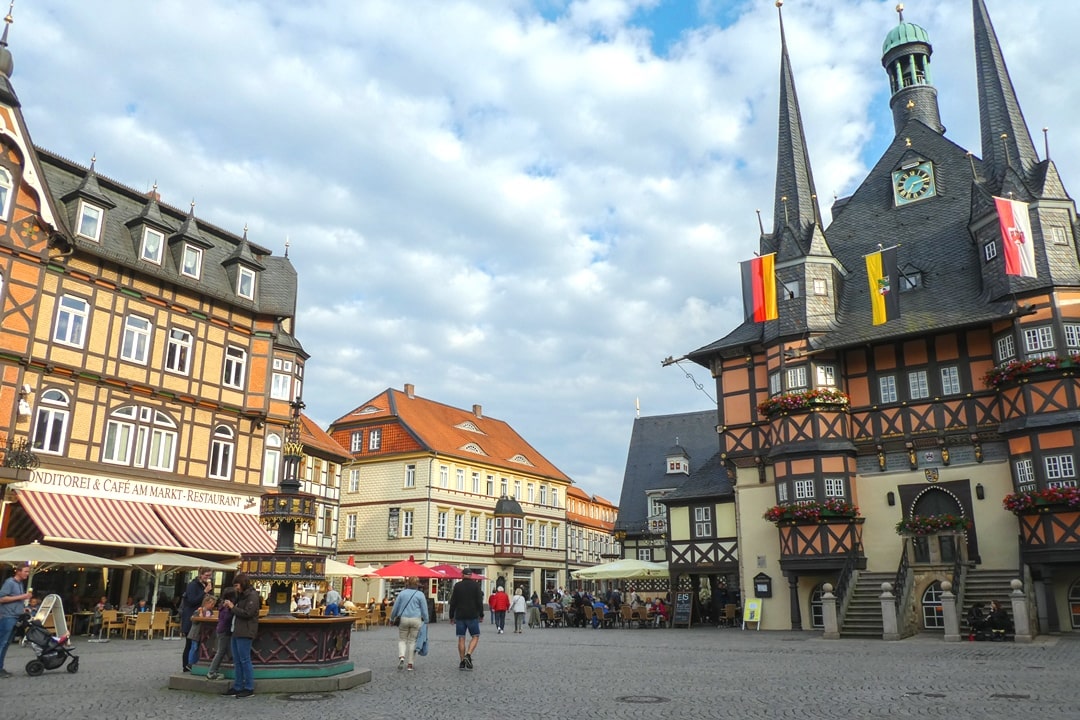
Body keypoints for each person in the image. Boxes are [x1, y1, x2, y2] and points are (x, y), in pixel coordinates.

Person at [222, 573, 260, 698]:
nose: (235, 588)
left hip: (245, 631)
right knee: (237, 661)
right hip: (236, 630)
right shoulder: (241, 596)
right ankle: (238, 686)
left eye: (237, 585)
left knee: (245, 660)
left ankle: (249, 687)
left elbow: (248, 613)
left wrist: (233, 607)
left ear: (243, 584)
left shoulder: (252, 596)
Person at [389, 577, 429, 671]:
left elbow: (395, 607)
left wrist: (391, 618)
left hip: (403, 619)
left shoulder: (402, 594)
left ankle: (402, 657)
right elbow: (424, 609)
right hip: (416, 619)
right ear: (417, 584)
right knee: (412, 641)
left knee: (402, 640)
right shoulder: (420, 595)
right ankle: (410, 664)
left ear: (408, 583)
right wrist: (426, 620)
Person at [0, 563, 32, 678]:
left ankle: (1, 667)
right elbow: (2, 598)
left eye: (28, 572)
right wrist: (22, 597)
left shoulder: (20, 584)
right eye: (25, 571)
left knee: (6, 643)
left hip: (15, 615)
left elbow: (15, 601)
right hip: (7, 616)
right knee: (2, 643)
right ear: (18, 571)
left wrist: (23, 608)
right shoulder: (10, 583)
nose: (27, 574)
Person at [448, 570, 484, 670]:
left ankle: (462, 661)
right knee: (475, 636)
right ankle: (468, 654)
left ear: (462, 575)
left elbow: (453, 602)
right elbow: (479, 601)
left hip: (460, 615)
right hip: (472, 615)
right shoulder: (476, 586)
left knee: (461, 638)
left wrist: (451, 616)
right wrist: (481, 614)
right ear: (471, 575)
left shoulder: (457, 586)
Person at [180, 567, 213, 672]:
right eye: (206, 575)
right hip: (191, 618)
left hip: (201, 618)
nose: (208, 578)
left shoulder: (204, 585)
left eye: (210, 576)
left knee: (198, 643)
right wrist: (204, 592)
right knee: (189, 643)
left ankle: (194, 663)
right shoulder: (193, 585)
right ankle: (186, 666)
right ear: (200, 575)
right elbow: (192, 601)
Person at [206, 587, 235, 681]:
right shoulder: (227, 606)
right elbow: (226, 618)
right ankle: (212, 671)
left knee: (225, 650)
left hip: (222, 629)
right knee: (221, 651)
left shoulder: (222, 605)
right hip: (224, 630)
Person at [186, 594, 216, 669]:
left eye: (213, 604)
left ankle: (196, 662)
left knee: (200, 647)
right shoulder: (198, 610)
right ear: (206, 603)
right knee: (194, 647)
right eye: (211, 604)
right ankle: (190, 663)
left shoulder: (211, 612)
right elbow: (194, 621)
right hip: (196, 633)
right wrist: (200, 615)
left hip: (204, 633)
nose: (212, 606)